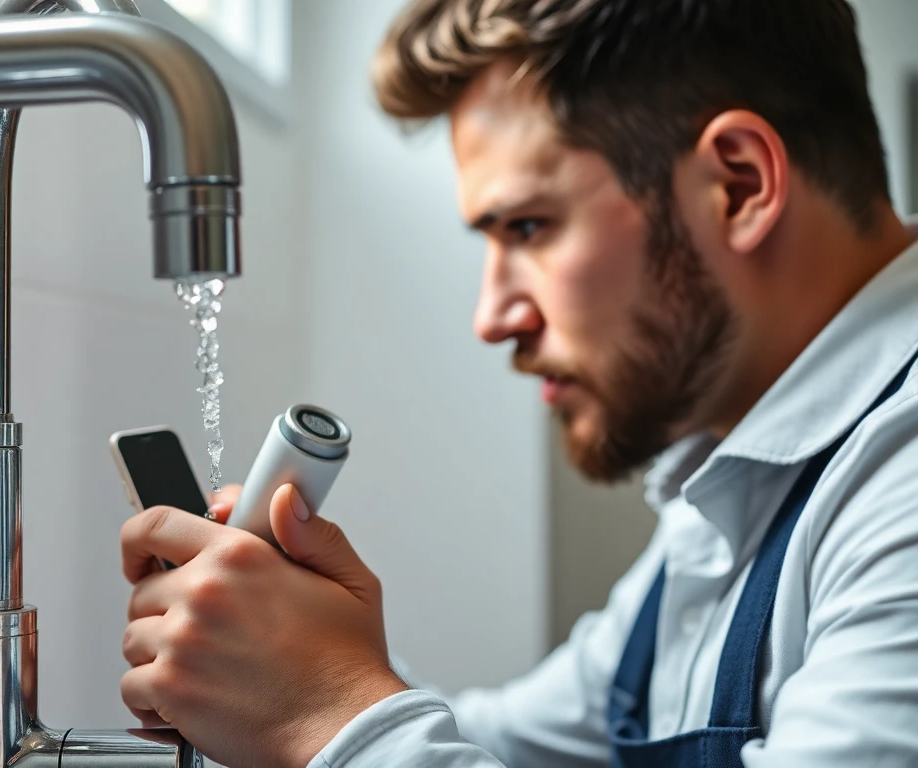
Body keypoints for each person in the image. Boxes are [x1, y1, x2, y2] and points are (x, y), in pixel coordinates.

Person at [117, 0, 918, 765]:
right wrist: (288, 665)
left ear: (738, 185)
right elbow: (509, 745)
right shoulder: (738, 488)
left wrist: (325, 712)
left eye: (528, 227)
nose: (493, 317)